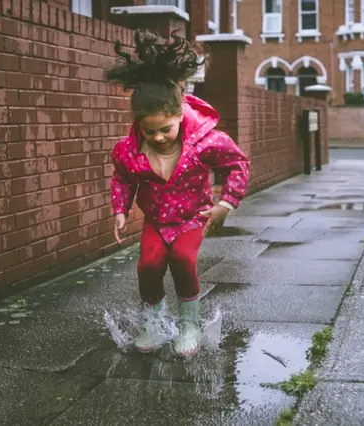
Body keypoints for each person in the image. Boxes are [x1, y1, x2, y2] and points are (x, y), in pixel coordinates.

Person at [104, 30, 250, 358]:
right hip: (157, 220)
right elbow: (122, 179)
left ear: (180, 115)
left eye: (165, 129)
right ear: (138, 125)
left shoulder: (205, 142)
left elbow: (238, 165)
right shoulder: (129, 151)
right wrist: (120, 209)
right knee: (149, 265)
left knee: (183, 261)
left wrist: (226, 203)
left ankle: (189, 324)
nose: (158, 137)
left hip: (191, 217)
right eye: (149, 130)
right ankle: (153, 323)